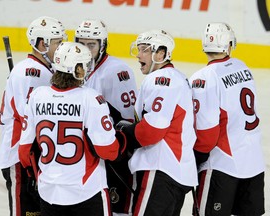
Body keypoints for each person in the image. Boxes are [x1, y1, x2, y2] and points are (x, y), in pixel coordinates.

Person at [18, 41, 126, 216]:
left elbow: (24, 152)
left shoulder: (37, 96)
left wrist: (39, 177)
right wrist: (123, 140)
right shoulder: (91, 99)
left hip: (48, 192)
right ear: (78, 70)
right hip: (86, 193)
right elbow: (108, 151)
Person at [117, 29, 198, 216]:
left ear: (161, 54)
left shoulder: (161, 80)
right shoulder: (176, 77)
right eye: (139, 49)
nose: (138, 55)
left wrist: (122, 137)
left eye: (145, 49)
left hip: (160, 169)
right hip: (176, 172)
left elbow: (153, 130)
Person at [189, 22, 265, 216]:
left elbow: (206, 135)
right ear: (229, 43)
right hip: (253, 164)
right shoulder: (243, 68)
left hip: (222, 167)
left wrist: (193, 161)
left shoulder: (204, 77)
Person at [0, 16, 67, 216]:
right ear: (43, 44)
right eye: (57, 43)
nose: (61, 48)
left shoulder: (43, 70)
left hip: (33, 156)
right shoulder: (29, 72)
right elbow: (29, 117)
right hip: (20, 158)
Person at [75, 19, 138, 215]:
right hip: (84, 157)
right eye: (81, 44)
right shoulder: (73, 68)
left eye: (91, 45)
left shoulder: (116, 71)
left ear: (102, 45)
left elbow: (127, 123)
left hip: (112, 159)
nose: (85, 50)